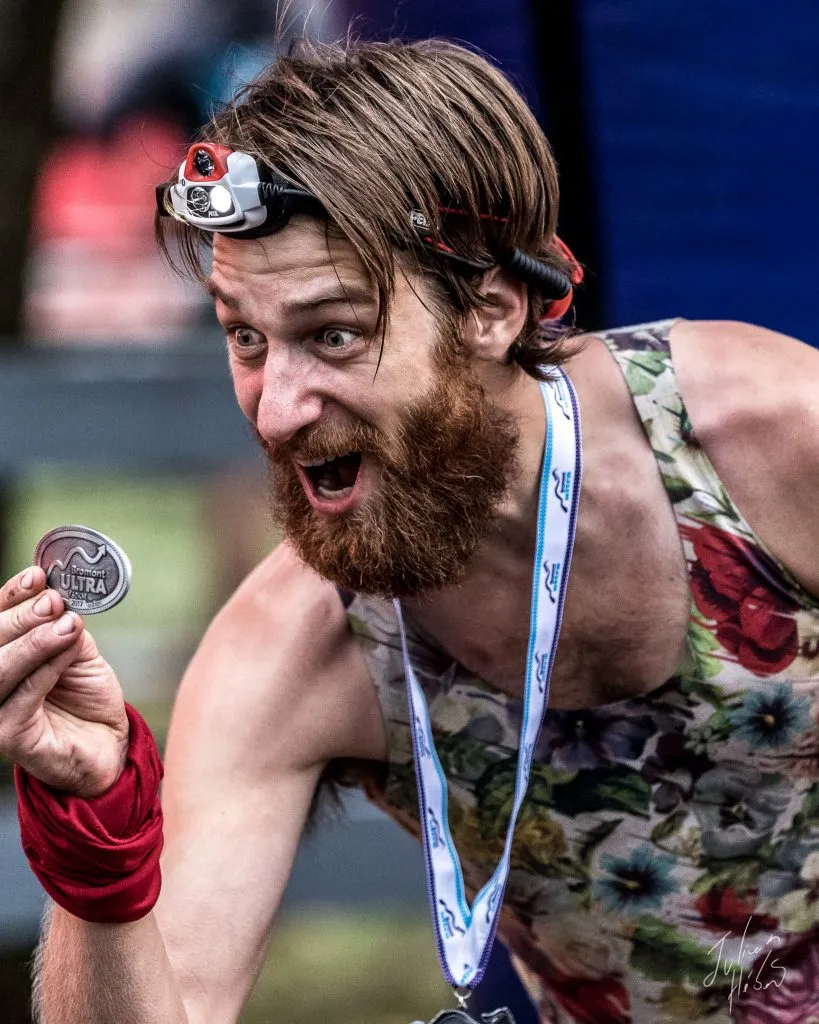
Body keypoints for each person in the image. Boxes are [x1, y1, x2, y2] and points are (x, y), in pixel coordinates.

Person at [2, 37, 818, 1024]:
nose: (276, 410)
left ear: (493, 310)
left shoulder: (767, 441)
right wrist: (99, 844)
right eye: (245, 336)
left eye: (334, 334)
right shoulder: (296, 648)